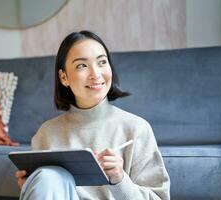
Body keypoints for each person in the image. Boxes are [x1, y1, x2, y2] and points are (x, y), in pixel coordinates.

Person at [15, 30, 170, 200]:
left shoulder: (137, 129)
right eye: (82, 65)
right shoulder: (46, 133)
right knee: (47, 177)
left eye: (102, 62)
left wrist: (120, 181)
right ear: (64, 77)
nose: (95, 74)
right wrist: (32, 186)